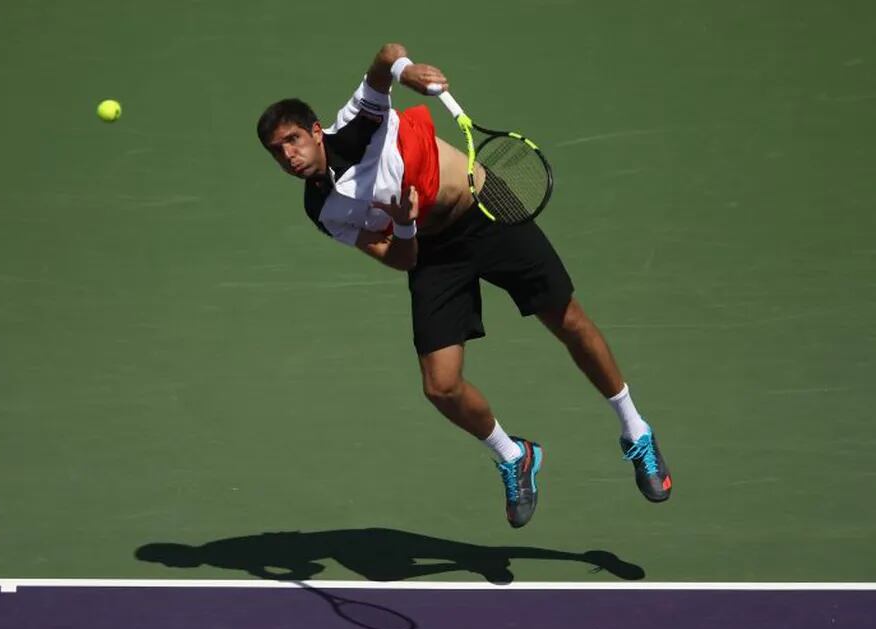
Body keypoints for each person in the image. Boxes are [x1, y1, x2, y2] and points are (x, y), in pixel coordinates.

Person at [256, 43, 671, 528]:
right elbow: (398, 257)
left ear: (314, 130)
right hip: (433, 251)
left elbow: (386, 56)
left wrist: (406, 71)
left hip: (484, 209)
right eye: (276, 152)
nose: (288, 156)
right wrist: (406, 225)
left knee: (568, 321)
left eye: (292, 140)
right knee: (440, 386)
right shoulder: (322, 209)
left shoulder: (357, 121)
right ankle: (513, 455)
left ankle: (634, 429)